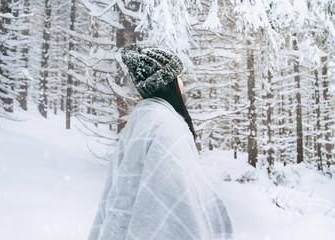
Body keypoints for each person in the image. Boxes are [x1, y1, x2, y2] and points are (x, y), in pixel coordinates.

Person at [87, 44, 234, 240]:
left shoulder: (144, 117)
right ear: (167, 83)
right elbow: (172, 196)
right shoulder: (163, 124)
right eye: (178, 77)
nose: (182, 83)